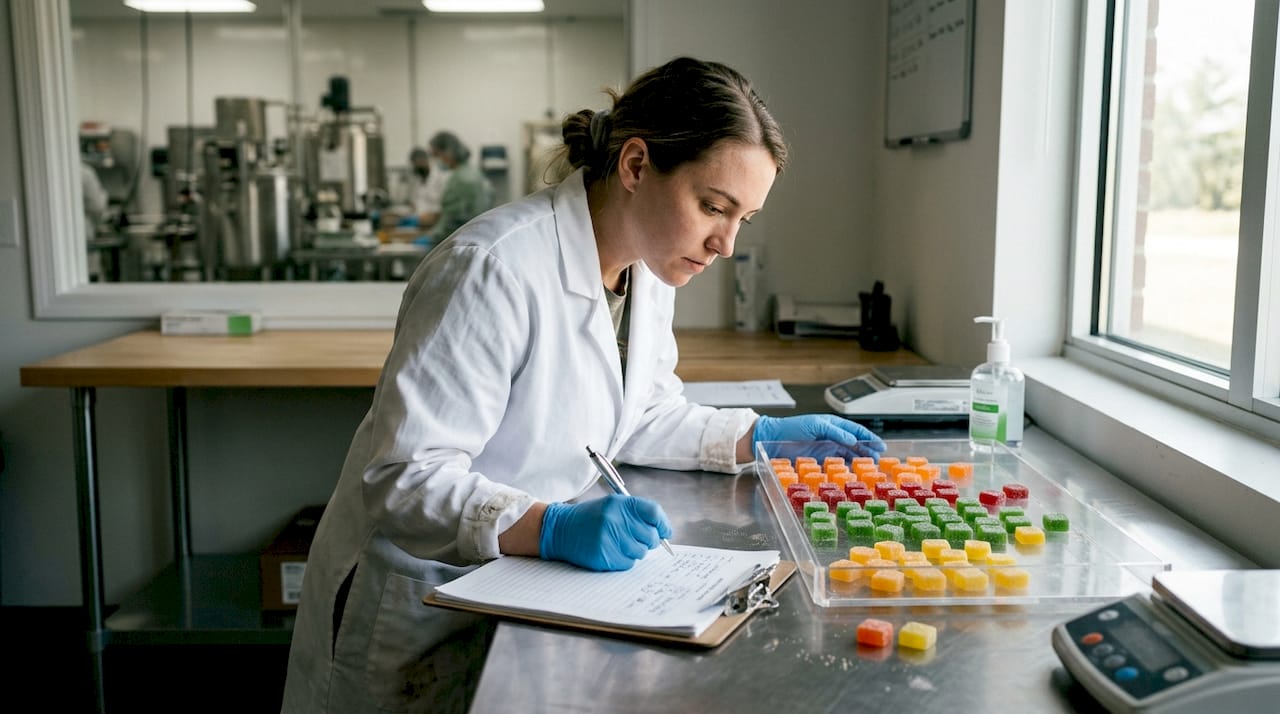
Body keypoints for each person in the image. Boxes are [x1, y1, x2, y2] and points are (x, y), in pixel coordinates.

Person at [280, 56, 885, 714]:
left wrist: (754, 435)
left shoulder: (647, 271)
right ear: (634, 166)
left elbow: (640, 412)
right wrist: (549, 526)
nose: (726, 244)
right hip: (418, 601)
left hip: (524, 592)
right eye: (713, 207)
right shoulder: (491, 269)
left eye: (744, 218)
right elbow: (404, 478)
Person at [413, 130, 494, 246]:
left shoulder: (463, 179)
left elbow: (453, 222)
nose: (435, 160)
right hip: (472, 241)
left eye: (436, 155)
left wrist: (432, 238)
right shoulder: (468, 173)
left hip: (463, 243)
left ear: (448, 152)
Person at [405, 146, 450, 225]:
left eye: (419, 163)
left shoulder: (441, 177)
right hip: (418, 222)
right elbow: (413, 202)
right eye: (415, 164)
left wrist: (423, 218)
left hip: (434, 223)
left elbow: (442, 208)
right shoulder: (416, 179)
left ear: (426, 160)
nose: (417, 167)